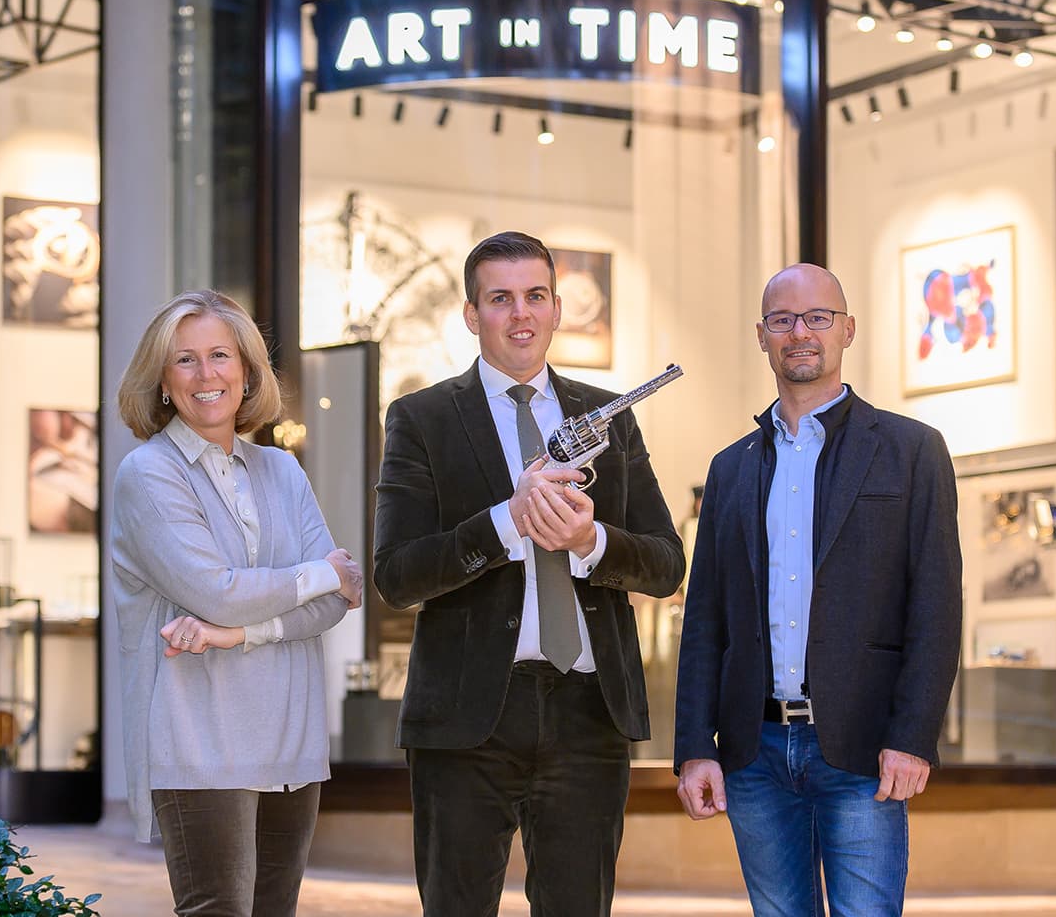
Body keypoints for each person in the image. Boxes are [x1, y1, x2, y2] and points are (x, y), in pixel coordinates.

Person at [374, 231, 684, 917]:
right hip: (466, 721)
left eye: (536, 296)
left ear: (557, 309)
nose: (521, 314)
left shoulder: (608, 417)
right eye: (500, 298)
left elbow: (666, 564)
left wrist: (590, 540)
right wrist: (506, 522)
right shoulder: (421, 420)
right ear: (470, 313)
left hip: (587, 715)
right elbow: (396, 576)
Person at [673, 263, 962, 917]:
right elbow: (704, 623)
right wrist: (694, 748)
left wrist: (915, 735)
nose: (799, 332)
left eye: (817, 317)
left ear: (847, 329)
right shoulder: (730, 468)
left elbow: (937, 609)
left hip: (863, 751)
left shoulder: (912, 451)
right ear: (762, 335)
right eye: (783, 319)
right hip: (754, 754)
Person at [109, 289, 364, 917]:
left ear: (248, 370)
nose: (206, 375)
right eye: (185, 360)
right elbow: (214, 591)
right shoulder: (148, 474)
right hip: (198, 738)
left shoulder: (282, 471)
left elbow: (337, 606)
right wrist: (319, 574)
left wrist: (240, 633)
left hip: (291, 741)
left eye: (220, 355)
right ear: (162, 381)